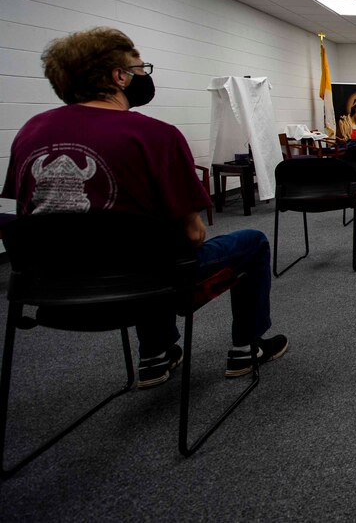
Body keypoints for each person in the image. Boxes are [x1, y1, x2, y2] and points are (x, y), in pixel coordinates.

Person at [1, 27, 288, 389]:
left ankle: (156, 353)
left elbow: (33, 216)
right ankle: (247, 348)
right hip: (150, 285)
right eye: (141, 68)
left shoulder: (30, 132)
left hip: (53, 290)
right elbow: (194, 234)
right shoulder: (156, 135)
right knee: (249, 242)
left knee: (142, 249)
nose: (143, 76)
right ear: (119, 76)